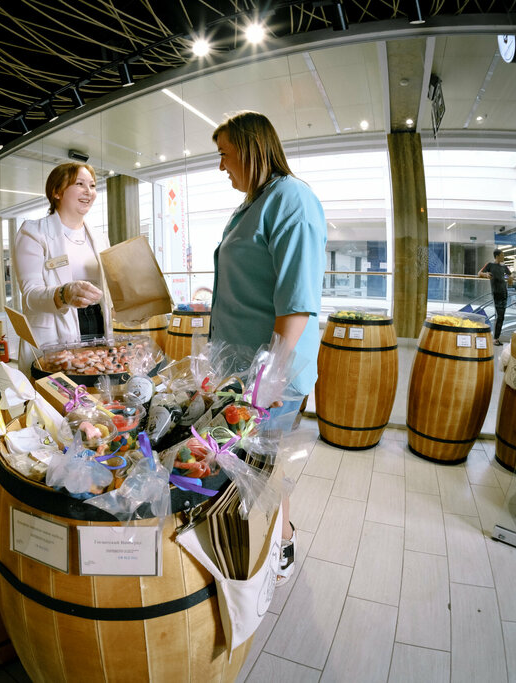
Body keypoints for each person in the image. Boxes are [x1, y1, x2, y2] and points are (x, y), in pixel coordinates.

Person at [209, 111, 327, 582]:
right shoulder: (250, 205)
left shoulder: (292, 199)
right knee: (252, 466)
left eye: (225, 154)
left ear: (250, 147)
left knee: (265, 467)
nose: (221, 166)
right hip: (243, 371)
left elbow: (297, 301)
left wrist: (271, 375)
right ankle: (265, 540)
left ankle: (281, 543)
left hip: (270, 377)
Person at [13, 162, 113, 374]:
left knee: (94, 384)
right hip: (54, 332)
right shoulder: (33, 233)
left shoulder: (100, 238)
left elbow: (109, 290)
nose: (89, 191)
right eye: (80, 184)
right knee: (61, 390)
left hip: (97, 325)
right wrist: (64, 294)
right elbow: (30, 295)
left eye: (92, 185)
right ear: (57, 192)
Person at [478, 249, 513, 345]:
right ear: (497, 256)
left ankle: (496, 338)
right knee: (499, 316)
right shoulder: (490, 265)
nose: (503, 257)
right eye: (502, 255)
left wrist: (509, 278)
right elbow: (479, 273)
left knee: (501, 317)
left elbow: (509, 276)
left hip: (504, 293)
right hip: (496, 293)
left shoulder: (504, 267)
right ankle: (495, 338)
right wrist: (486, 274)